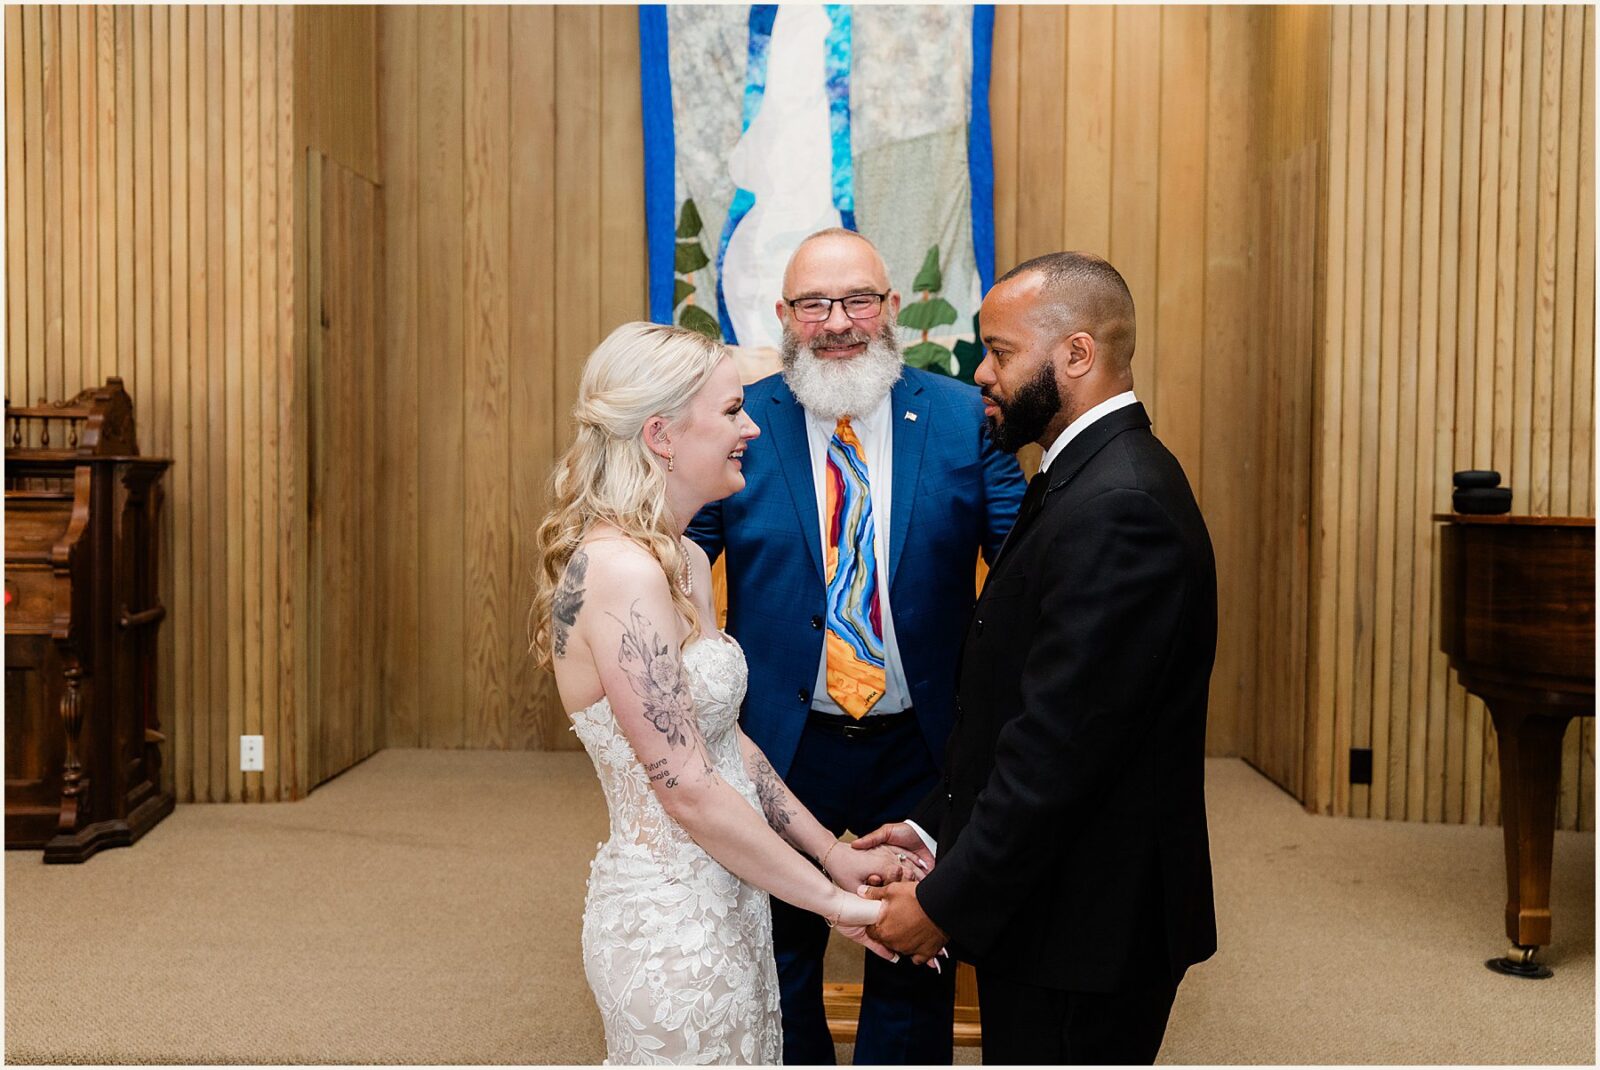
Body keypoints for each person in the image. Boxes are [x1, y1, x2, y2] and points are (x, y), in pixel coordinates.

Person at [855, 252, 1219, 1065]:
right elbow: (1016, 698)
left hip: (1090, 927)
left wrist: (942, 902)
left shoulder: (1120, 506)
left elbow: (1057, 752)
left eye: (1001, 351)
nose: (981, 373)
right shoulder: (1076, 476)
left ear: (1077, 356)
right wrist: (934, 826)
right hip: (1056, 904)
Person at [532, 322, 927, 1065]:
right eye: (731, 411)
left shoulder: (679, 556)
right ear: (662, 434)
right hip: (669, 924)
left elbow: (724, 742)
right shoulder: (622, 572)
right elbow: (686, 788)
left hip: (733, 894)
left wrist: (829, 855)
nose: (751, 426)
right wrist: (835, 903)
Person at [686, 229, 1026, 1064]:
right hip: (777, 740)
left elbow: (1027, 562)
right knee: (778, 959)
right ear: (783, 316)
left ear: (892, 309)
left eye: (858, 301)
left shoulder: (958, 417)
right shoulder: (741, 422)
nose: (837, 322)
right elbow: (682, 543)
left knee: (916, 960)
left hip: (924, 749)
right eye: (813, 304)